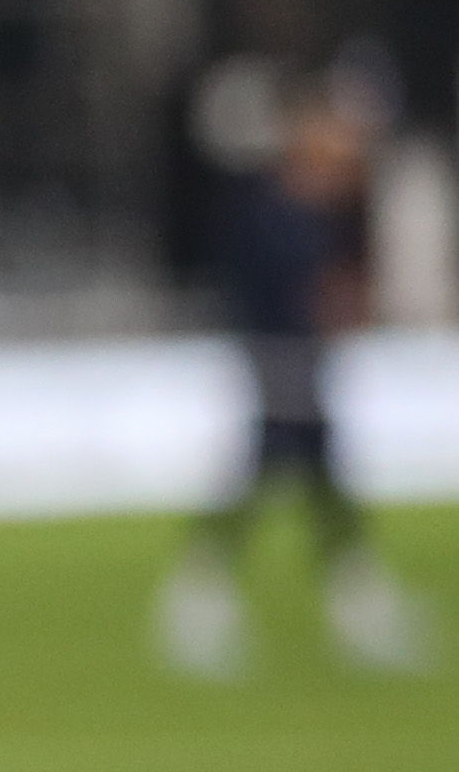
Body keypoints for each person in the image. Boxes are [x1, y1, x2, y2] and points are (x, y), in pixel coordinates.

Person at [159, 80, 428, 679]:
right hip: (280, 363)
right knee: (288, 480)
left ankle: (339, 602)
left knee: (303, 484)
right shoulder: (274, 214)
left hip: (298, 363)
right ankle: (214, 597)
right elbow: (296, 297)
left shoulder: (313, 213)